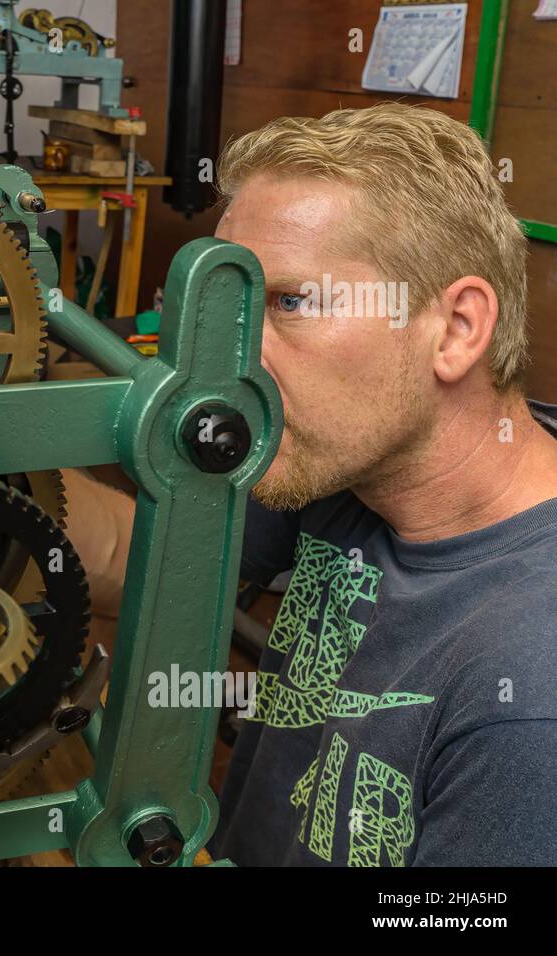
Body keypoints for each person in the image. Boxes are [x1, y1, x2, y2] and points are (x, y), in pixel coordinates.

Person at [62, 102, 557, 866]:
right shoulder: (349, 465)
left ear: (457, 328)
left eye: (290, 303)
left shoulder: (529, 702)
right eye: (232, 309)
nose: (233, 364)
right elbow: (159, 571)